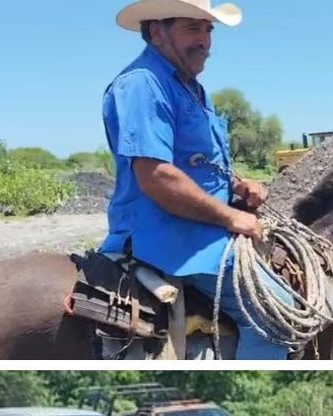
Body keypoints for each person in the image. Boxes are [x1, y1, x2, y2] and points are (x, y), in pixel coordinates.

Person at [102, 0, 297, 359]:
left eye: (209, 30)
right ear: (157, 31)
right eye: (194, 28)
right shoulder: (143, 84)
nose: (205, 41)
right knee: (276, 314)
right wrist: (231, 217)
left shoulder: (190, 88)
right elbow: (157, 176)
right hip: (165, 235)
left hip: (197, 227)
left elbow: (196, 161)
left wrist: (237, 184)